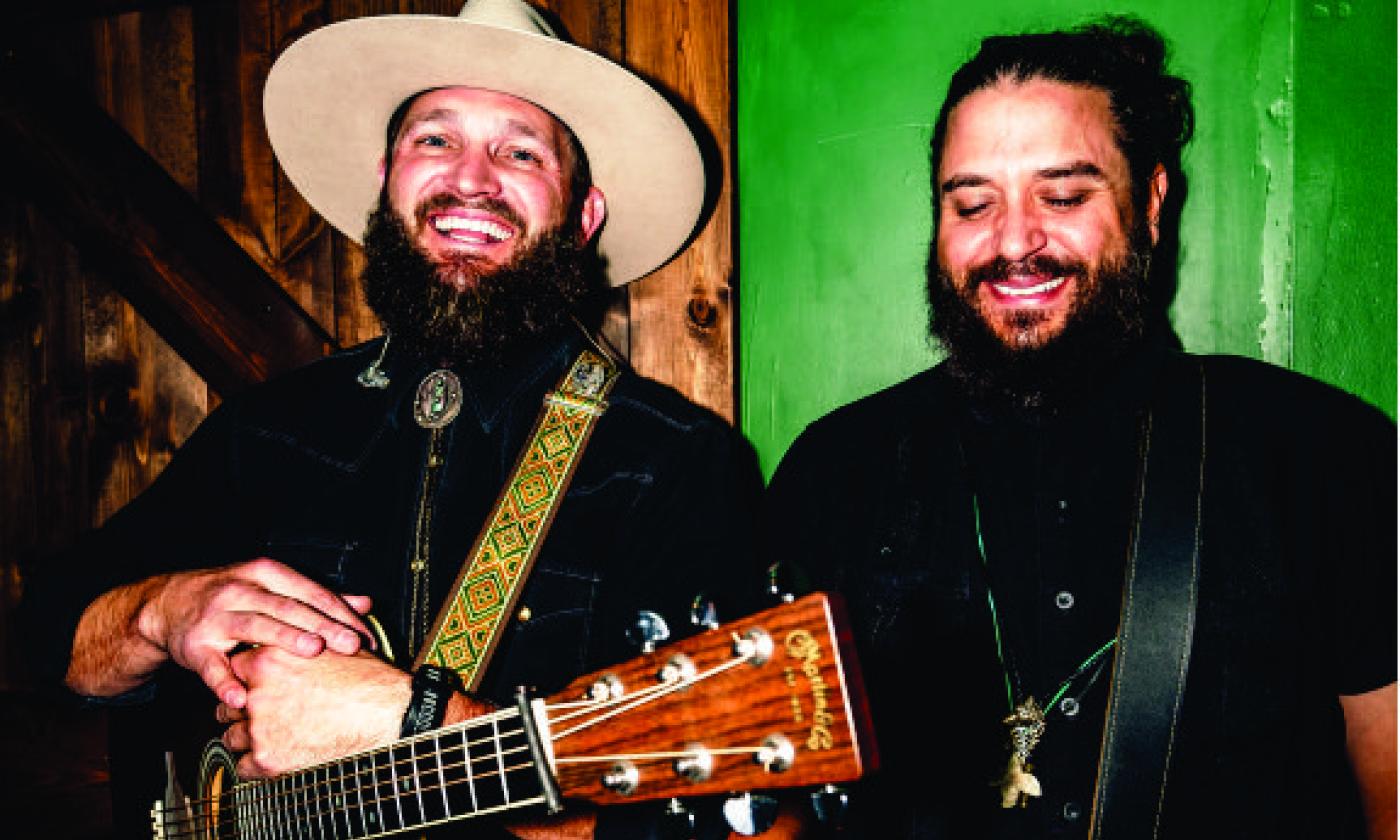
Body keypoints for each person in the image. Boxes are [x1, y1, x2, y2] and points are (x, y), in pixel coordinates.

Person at [19, 0, 761, 836]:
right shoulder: (266, 431)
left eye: (520, 152)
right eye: (435, 139)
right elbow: (47, 641)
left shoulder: (676, 464)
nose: (471, 179)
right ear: (387, 181)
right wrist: (164, 611)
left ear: (583, 217)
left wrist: (418, 726)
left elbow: (712, 821)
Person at [761, 17, 1396, 840]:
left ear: (1153, 203)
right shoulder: (835, 470)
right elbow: (769, 802)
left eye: (1063, 195)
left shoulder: (1321, 452)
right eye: (972, 203)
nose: (1015, 240)